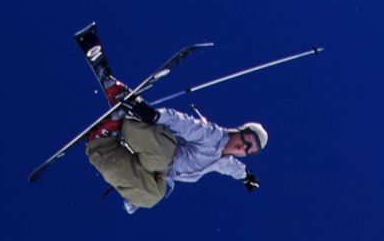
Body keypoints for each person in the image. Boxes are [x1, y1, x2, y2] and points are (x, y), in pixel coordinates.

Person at [86, 84, 266, 213]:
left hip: (158, 170)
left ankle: (102, 144)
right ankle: (128, 115)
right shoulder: (214, 136)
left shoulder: (224, 161)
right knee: (165, 152)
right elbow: (183, 124)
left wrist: (247, 177)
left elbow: (234, 169)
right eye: (247, 140)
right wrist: (154, 115)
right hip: (153, 145)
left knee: (152, 196)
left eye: (250, 150)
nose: (244, 147)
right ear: (240, 130)